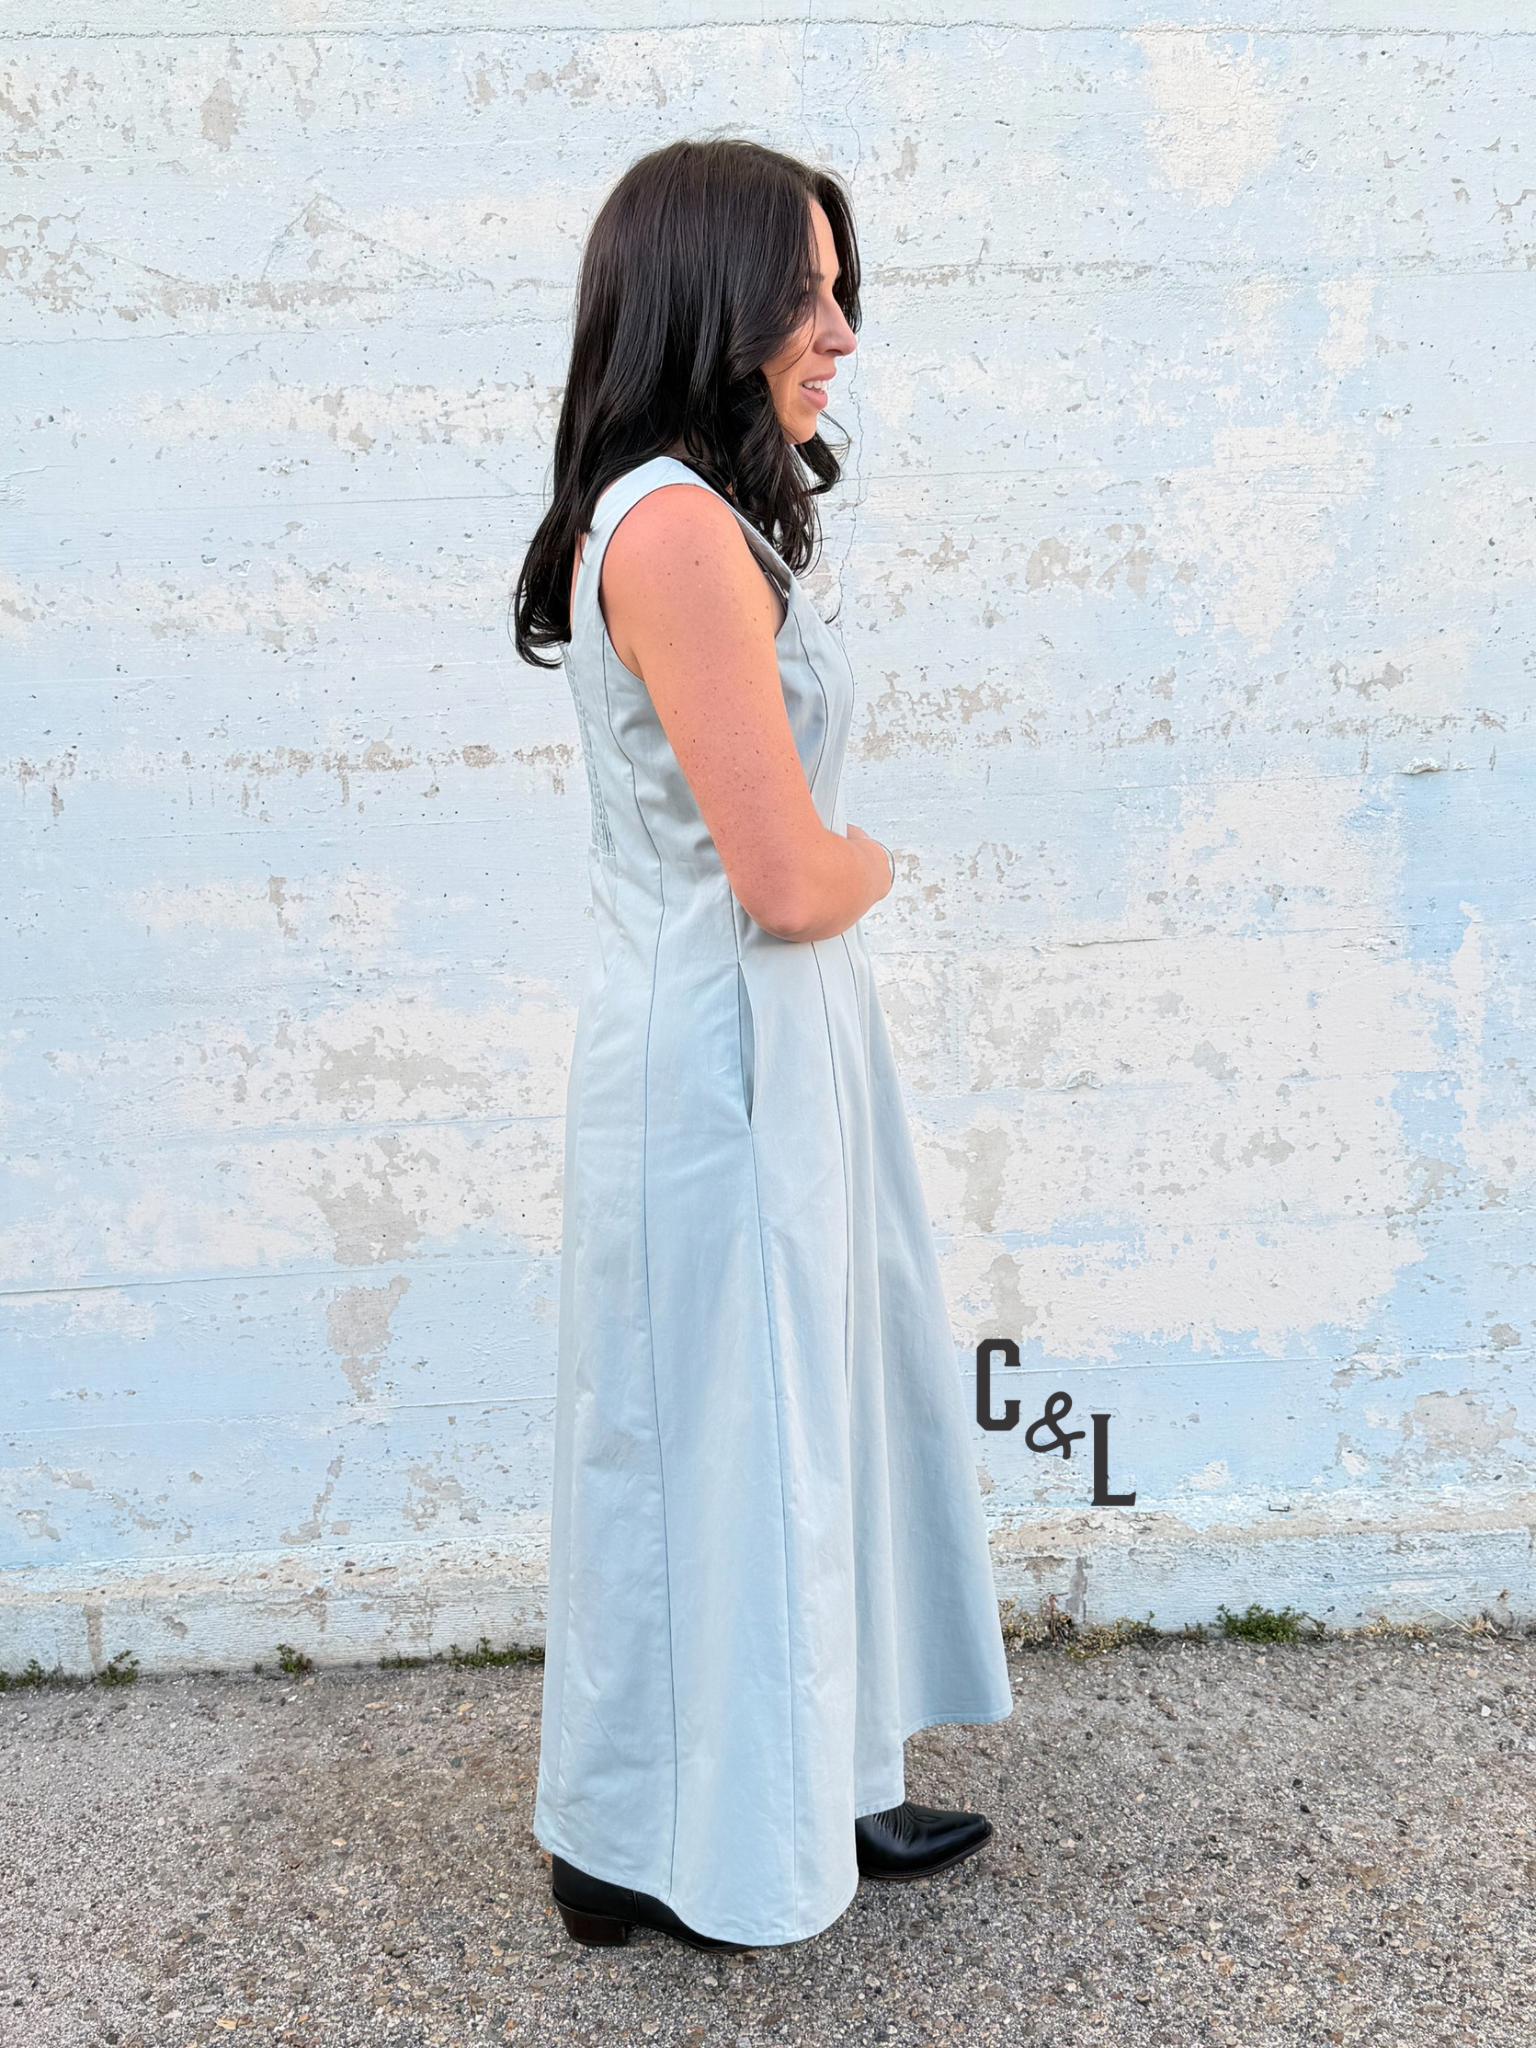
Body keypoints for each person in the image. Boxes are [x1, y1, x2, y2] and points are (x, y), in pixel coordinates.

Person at [513, 137, 1013, 1953]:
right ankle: (652, 1842)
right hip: (724, 1048)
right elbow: (791, 877)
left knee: (784, 1426)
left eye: (840, 289)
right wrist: (881, 862)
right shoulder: (670, 532)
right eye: (805, 293)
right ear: (708, 302)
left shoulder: (688, 518)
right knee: (722, 1441)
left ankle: (793, 1785)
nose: (842, 332)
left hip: (762, 1045)